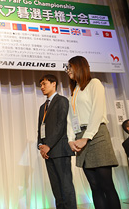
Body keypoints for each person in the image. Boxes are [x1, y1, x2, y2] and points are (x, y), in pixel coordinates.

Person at [65, 56, 120, 209]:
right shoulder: (74, 91)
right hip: (80, 136)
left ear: (80, 67)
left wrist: (87, 137)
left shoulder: (94, 84)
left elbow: (97, 112)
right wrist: (71, 139)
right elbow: (70, 118)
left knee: (106, 185)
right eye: (67, 68)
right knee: (94, 186)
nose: (67, 71)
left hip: (96, 135)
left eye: (70, 67)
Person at [37, 74, 76, 209]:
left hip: (60, 149)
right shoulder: (43, 107)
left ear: (54, 84)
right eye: (40, 85)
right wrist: (40, 145)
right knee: (56, 187)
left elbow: (61, 125)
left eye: (44, 84)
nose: (41, 87)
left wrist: (49, 145)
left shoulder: (62, 101)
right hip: (48, 152)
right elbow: (40, 128)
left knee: (66, 186)